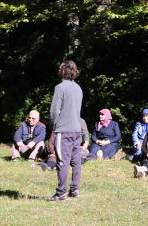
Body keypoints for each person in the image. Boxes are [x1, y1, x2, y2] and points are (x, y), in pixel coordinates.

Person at [49, 60, 84, 201]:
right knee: (76, 161)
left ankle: (61, 193)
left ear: (62, 71)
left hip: (64, 130)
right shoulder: (78, 89)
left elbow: (54, 111)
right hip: (77, 130)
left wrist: (55, 127)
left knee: (62, 161)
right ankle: (74, 189)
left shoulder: (60, 88)